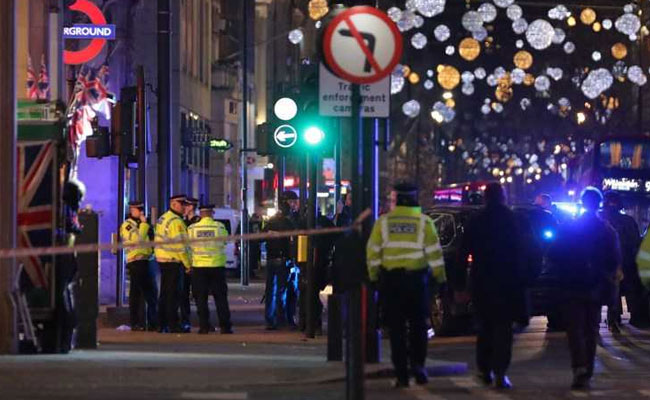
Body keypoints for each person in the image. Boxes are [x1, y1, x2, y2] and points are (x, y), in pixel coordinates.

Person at [366, 182, 446, 388]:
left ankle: (401, 374)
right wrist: (440, 278)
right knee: (419, 326)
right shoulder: (424, 222)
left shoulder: (383, 223)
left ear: (397, 199)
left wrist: (374, 278)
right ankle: (418, 366)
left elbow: (373, 253)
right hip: (417, 282)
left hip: (391, 283)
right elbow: (435, 254)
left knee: (397, 329)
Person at [458, 183, 529, 389]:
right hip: (508, 283)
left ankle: (485, 369)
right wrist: (527, 277)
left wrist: (460, 283)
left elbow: (462, 253)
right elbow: (529, 250)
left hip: (483, 282)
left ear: (485, 197)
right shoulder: (515, 219)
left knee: (485, 328)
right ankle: (500, 372)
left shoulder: (476, 220)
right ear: (504, 197)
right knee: (504, 330)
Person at [548, 187, 620, 390]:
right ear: (598, 204)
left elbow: (553, 253)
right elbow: (614, 261)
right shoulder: (607, 230)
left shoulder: (569, 227)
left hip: (572, 285)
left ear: (581, 202)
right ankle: (586, 369)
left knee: (575, 330)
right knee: (590, 329)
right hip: (595, 287)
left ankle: (579, 367)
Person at [601, 191, 648, 330]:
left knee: (612, 291)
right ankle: (635, 318)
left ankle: (613, 319)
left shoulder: (602, 219)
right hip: (627, 261)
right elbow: (635, 242)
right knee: (629, 291)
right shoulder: (628, 221)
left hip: (608, 262)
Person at [187, 204, 233, 334]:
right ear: (212, 213)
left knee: (201, 298)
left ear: (200, 214)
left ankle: (204, 326)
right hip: (216, 267)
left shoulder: (192, 228)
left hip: (199, 267)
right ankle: (225, 327)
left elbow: (188, 246)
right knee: (220, 298)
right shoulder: (219, 227)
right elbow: (224, 242)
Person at [154, 194, 191, 333]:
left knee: (164, 294)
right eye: (182, 204)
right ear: (174, 204)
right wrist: (188, 265)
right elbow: (181, 247)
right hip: (173, 261)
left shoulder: (163, 218)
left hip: (162, 259)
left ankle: (162, 324)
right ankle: (173, 324)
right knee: (173, 295)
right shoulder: (176, 222)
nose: (184, 207)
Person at [120, 201, 157, 331]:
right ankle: (135, 322)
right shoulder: (127, 225)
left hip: (146, 261)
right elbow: (138, 240)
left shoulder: (142, 224)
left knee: (151, 293)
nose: (140, 212)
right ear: (131, 210)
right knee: (136, 294)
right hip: (135, 262)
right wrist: (144, 224)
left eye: (141, 210)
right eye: (137, 210)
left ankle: (152, 322)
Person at [262, 191, 296, 330]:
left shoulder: (270, 222)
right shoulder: (289, 222)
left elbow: (262, 237)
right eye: (292, 202)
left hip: (271, 259)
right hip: (283, 260)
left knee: (271, 290)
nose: (294, 205)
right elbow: (292, 242)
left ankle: (270, 320)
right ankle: (281, 318)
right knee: (283, 290)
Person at [178, 197, 200, 333]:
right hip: (186, 262)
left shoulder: (198, 222)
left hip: (197, 262)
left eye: (185, 206)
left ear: (191, 207)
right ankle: (185, 322)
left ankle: (204, 321)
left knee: (199, 294)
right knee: (183, 294)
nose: (183, 208)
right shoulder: (182, 221)